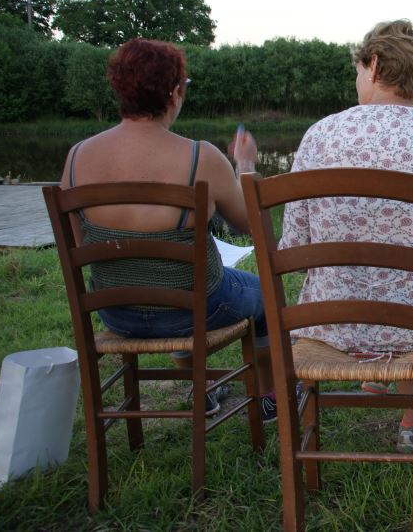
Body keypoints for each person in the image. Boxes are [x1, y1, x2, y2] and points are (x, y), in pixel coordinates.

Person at [279, 20, 413, 453]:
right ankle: (412, 418)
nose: (357, 79)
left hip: (333, 325)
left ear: (373, 64)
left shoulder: (319, 136)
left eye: (357, 69)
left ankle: (373, 386)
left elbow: (293, 249)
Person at [59, 38, 277, 420]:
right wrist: (244, 166)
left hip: (115, 313)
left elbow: (79, 244)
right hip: (191, 312)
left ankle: (202, 387)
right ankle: (271, 395)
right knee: (264, 295)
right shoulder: (200, 157)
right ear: (175, 92)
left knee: (180, 285)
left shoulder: (77, 156)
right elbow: (252, 228)